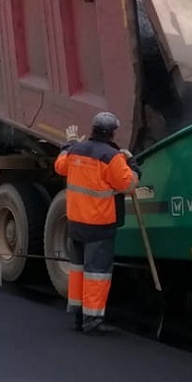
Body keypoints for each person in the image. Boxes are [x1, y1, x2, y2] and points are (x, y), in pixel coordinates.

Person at [54, 112, 140, 336]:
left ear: (92, 129)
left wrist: (70, 142)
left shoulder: (76, 151)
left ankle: (78, 315)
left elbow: (60, 166)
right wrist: (132, 162)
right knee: (96, 273)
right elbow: (128, 184)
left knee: (78, 270)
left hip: (76, 222)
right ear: (112, 132)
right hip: (99, 225)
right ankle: (92, 320)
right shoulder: (111, 157)